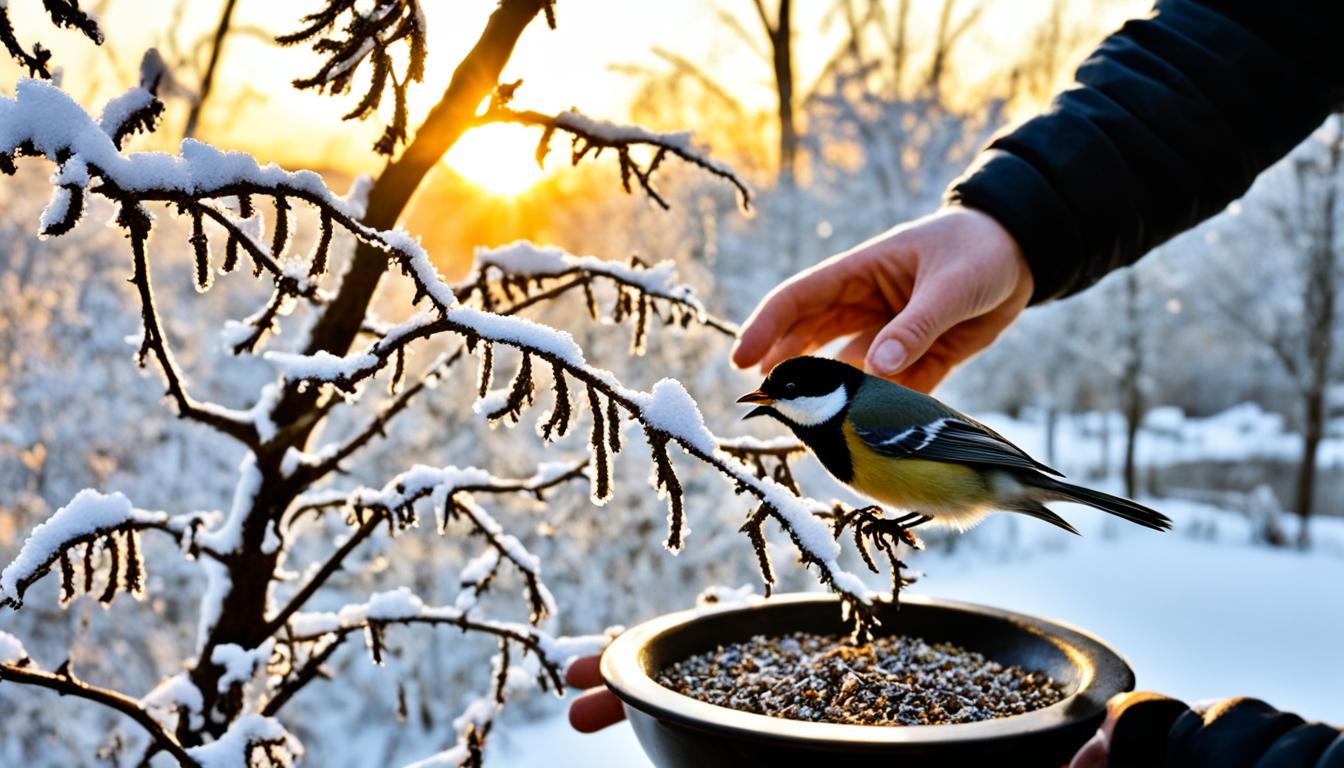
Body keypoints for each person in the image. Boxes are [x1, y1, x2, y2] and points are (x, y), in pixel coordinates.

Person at [570, 0, 1344, 764]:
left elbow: (960, 459)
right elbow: (1245, 44)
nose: (777, 411)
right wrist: (1009, 224)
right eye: (774, 401)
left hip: (976, 473)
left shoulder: (867, 420)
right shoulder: (846, 429)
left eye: (787, 396)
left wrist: (977, 497)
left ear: (830, 394)